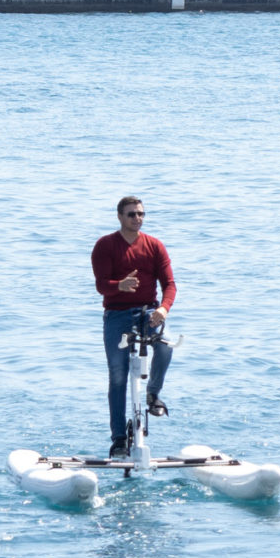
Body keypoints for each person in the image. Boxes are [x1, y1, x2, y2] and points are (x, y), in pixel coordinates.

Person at [92, 196, 175, 458]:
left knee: (165, 345)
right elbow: (101, 285)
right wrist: (119, 286)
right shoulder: (105, 246)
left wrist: (163, 309)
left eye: (141, 214)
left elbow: (170, 285)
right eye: (132, 214)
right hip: (116, 315)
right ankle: (118, 438)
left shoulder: (154, 245)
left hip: (148, 312)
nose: (137, 218)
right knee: (118, 374)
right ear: (119, 216)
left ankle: (153, 395)